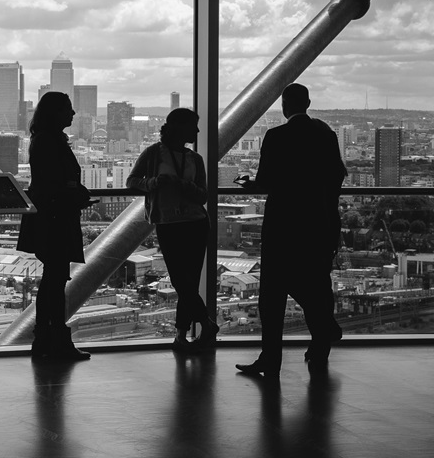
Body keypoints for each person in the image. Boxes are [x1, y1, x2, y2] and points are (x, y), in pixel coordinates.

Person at [235, 83, 347, 377]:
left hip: (283, 225)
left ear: (284, 106)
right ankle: (321, 342)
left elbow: (267, 181)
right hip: (319, 224)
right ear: (308, 103)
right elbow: (337, 176)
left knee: (272, 295)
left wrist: (250, 185)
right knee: (316, 282)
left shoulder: (276, 136)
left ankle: (271, 359)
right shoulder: (326, 135)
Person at [126, 108, 216, 352]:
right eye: (193, 126)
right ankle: (204, 324)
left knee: (186, 282)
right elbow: (132, 181)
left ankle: (181, 335)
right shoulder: (154, 154)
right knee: (182, 280)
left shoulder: (194, 159)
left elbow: (202, 195)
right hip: (174, 223)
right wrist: (154, 183)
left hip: (192, 223)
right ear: (180, 127)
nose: (197, 131)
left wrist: (179, 184)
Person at [16, 91, 93, 361]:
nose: (73, 114)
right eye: (68, 109)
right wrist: (75, 193)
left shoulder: (42, 140)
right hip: (56, 218)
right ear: (56, 113)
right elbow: (56, 182)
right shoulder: (52, 142)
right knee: (55, 281)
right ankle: (55, 340)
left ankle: (46, 339)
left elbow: (48, 182)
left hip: (48, 216)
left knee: (52, 280)